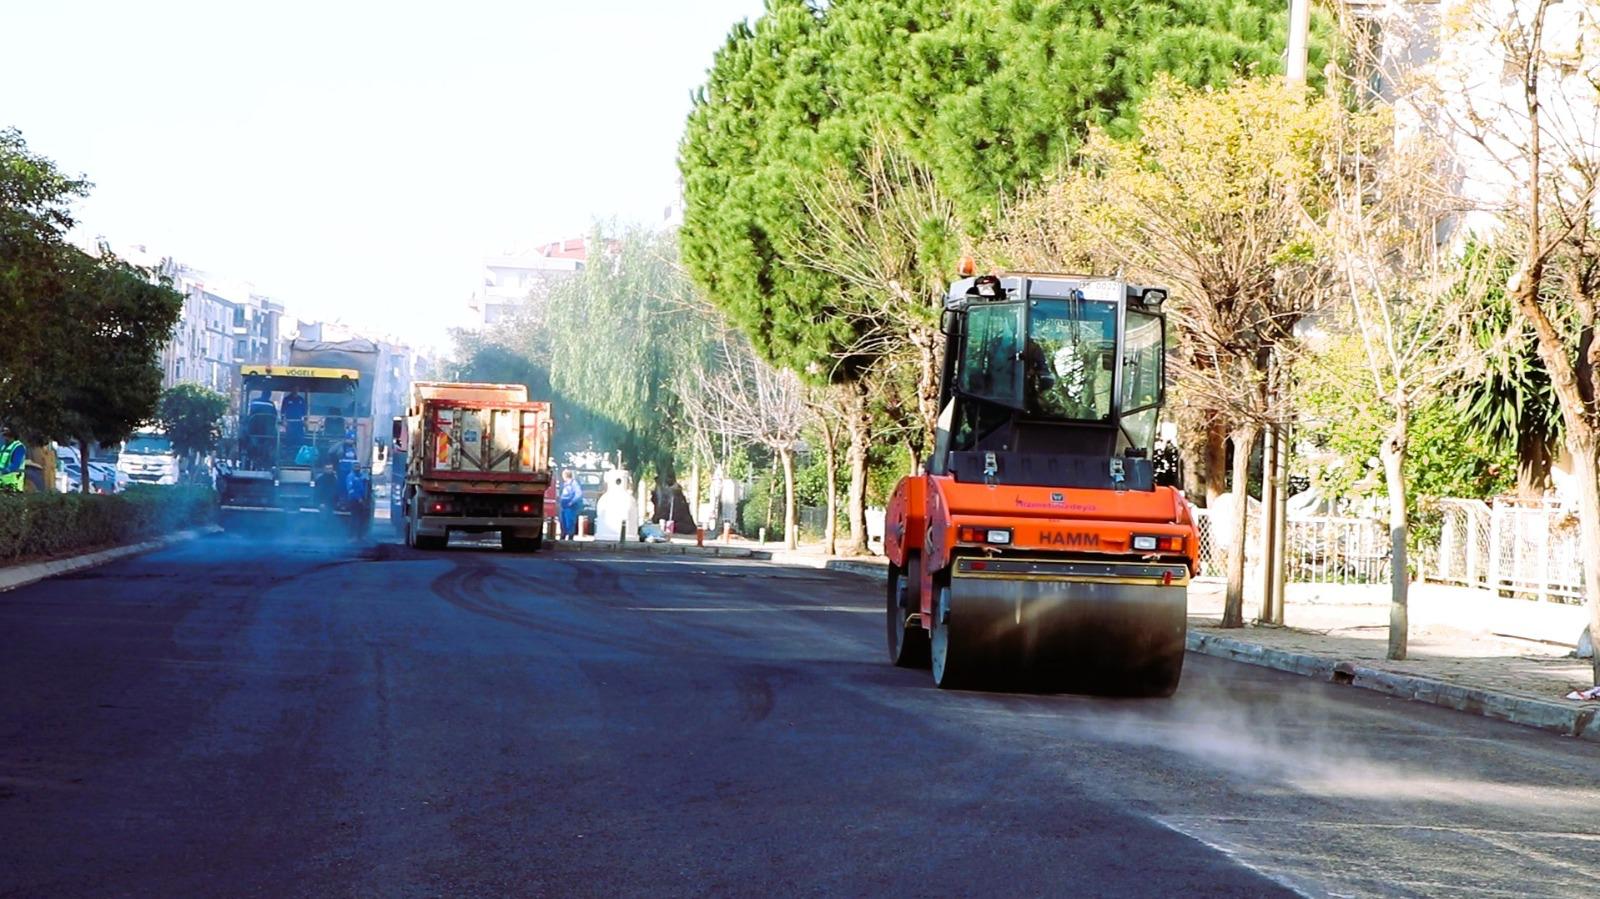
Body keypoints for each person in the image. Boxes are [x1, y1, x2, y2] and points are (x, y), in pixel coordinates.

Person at [558, 469, 583, 539]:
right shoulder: (565, 484)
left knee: (570, 522)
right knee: (563, 521)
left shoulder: (573, 483)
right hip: (564, 506)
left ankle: (570, 537)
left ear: (565, 475)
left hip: (570, 506)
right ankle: (563, 535)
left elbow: (579, 494)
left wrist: (572, 501)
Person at [0, 427, 26, 493]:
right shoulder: (4, 447)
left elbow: (15, 465)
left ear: (13, 436)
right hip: (2, 483)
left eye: (7, 435)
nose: (5, 438)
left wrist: (2, 472)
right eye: (4, 435)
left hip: (13, 484)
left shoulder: (19, 447)